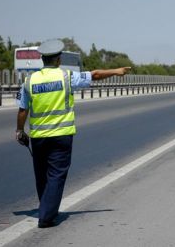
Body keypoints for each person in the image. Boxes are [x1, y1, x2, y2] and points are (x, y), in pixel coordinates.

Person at [15, 39, 131, 228]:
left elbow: (22, 110)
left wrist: (20, 130)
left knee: (42, 175)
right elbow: (95, 75)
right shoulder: (67, 77)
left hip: (38, 137)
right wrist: (116, 71)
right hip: (61, 135)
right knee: (56, 175)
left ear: (42, 60)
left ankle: (46, 206)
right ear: (59, 60)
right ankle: (46, 216)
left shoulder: (30, 80)